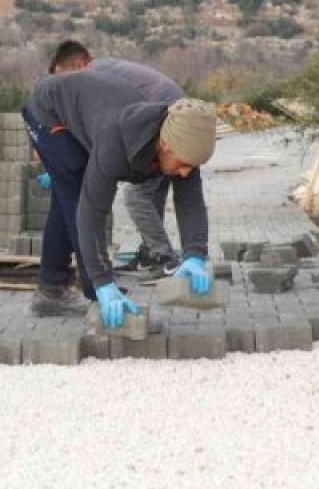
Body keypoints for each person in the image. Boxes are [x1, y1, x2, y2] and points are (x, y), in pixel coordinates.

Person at [24, 69, 215, 328]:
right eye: (182, 165)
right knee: (77, 195)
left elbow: (191, 203)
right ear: (165, 145)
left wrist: (195, 255)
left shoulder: (184, 141)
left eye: (192, 167)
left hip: (89, 110)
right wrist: (104, 283)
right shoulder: (115, 143)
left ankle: (50, 290)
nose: (185, 173)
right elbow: (91, 213)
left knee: (67, 194)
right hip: (49, 113)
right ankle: (99, 296)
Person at [47, 40, 195, 278]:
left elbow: (102, 131)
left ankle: (165, 259)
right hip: (175, 122)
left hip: (169, 129)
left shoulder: (93, 77)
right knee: (150, 193)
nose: (63, 87)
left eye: (63, 78)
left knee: (137, 196)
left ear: (79, 64)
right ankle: (149, 253)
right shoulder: (108, 69)